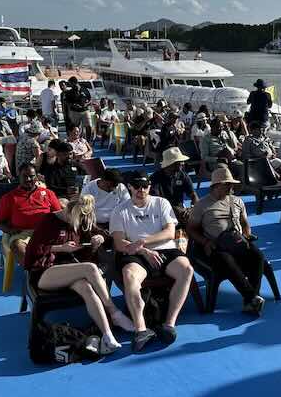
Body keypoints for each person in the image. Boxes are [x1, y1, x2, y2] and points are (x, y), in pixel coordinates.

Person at [23, 195, 135, 356]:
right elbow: (33, 250)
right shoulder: (48, 221)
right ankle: (114, 312)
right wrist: (61, 248)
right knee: (90, 268)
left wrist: (100, 238)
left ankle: (107, 334)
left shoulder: (81, 220)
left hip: (70, 270)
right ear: (68, 211)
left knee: (87, 288)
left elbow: (106, 237)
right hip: (45, 273)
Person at [110, 171, 195, 352]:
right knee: (129, 274)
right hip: (137, 253)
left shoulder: (161, 203)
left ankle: (169, 324)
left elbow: (170, 233)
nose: (142, 190)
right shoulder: (120, 210)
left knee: (186, 270)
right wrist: (143, 250)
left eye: (145, 186)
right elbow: (118, 243)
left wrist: (142, 241)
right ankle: (141, 329)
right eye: (137, 186)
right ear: (130, 187)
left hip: (164, 249)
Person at [187, 165, 266, 315]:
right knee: (226, 260)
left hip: (237, 241)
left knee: (258, 256)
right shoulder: (202, 205)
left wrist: (247, 235)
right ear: (216, 186)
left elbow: (245, 224)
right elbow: (191, 229)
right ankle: (251, 297)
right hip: (217, 246)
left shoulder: (237, 201)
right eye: (227, 184)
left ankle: (249, 302)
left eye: (231, 184)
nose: (231, 187)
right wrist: (205, 242)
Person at [0, 162, 60, 264]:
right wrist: (10, 230)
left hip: (47, 231)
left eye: (31, 176)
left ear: (37, 177)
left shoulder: (48, 193)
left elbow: (58, 214)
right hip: (23, 234)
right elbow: (1, 222)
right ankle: (36, 269)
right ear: (19, 176)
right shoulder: (8, 198)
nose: (28, 179)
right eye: (24, 176)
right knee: (17, 246)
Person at [150, 147, 198, 213]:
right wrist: (175, 210)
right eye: (177, 164)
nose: (180, 167)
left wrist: (194, 207)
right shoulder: (155, 178)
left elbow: (193, 194)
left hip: (180, 210)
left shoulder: (183, 176)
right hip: (161, 211)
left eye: (181, 164)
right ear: (168, 165)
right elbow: (155, 200)